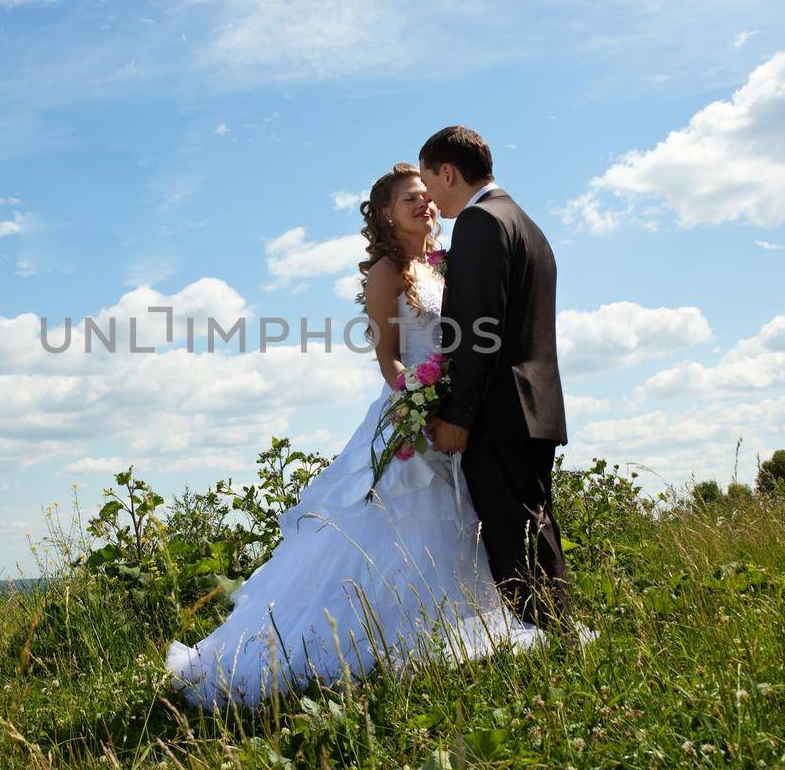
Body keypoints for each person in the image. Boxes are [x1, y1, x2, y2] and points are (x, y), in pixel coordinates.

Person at [165, 162, 548, 710]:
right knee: (391, 530)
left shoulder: (444, 266)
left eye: (426, 196)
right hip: (411, 419)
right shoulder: (387, 273)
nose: (424, 205)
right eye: (411, 199)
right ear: (387, 215)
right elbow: (387, 356)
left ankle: (445, 634)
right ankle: (342, 649)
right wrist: (414, 401)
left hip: (454, 418)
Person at [419, 125, 572, 632]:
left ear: (448, 172)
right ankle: (558, 637)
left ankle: (546, 645)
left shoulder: (481, 222)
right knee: (535, 530)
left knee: (512, 540)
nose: (431, 199)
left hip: (499, 411)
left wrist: (459, 415)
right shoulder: (525, 222)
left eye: (430, 183)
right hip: (535, 406)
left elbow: (480, 332)